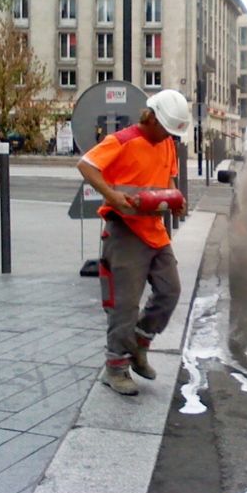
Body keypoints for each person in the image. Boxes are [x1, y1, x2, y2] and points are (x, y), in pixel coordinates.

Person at [77, 89, 191, 396]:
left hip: (154, 229)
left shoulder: (166, 144)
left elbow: (168, 180)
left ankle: (140, 344)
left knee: (170, 291)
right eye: (164, 128)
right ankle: (116, 367)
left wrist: (175, 199)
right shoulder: (123, 140)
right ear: (150, 116)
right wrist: (112, 196)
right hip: (125, 229)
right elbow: (86, 164)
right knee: (124, 304)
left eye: (172, 132)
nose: (168, 136)